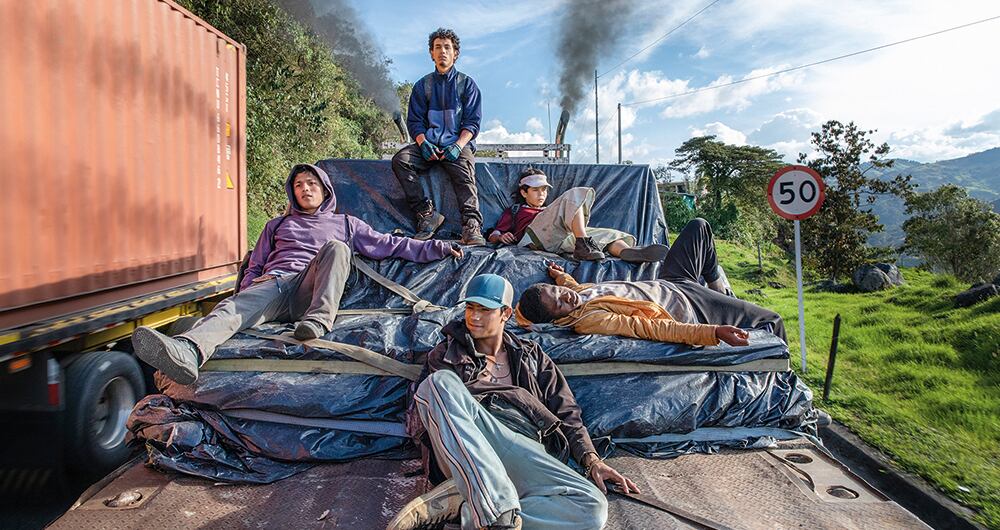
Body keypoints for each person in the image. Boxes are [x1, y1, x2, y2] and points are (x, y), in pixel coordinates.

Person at [133, 164, 461, 385]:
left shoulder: (346, 224)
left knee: (337, 249)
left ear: (325, 189)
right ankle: (188, 352)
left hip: (311, 289)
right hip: (275, 287)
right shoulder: (276, 225)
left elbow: (389, 245)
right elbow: (256, 266)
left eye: (312, 184)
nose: (305, 188)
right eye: (299, 185)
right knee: (230, 309)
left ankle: (318, 322)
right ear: (292, 193)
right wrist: (246, 293)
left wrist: (438, 248)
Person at [387, 274, 638, 530]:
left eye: (485, 310)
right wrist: (512, 393)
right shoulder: (448, 354)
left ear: (505, 313)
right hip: (474, 449)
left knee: (593, 508)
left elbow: (567, 412)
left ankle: (469, 510)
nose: (474, 317)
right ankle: (495, 508)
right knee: (437, 384)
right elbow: (437, 412)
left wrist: (592, 459)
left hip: (524, 448)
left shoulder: (532, 356)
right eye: (470, 308)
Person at [515, 218, 786, 346]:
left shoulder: (577, 294)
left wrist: (557, 276)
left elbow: (573, 289)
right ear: (558, 319)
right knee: (772, 320)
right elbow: (650, 328)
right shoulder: (589, 320)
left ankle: (721, 289)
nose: (567, 297)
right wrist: (711, 332)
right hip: (689, 304)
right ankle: (787, 387)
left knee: (698, 227)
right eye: (560, 304)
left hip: (671, 281)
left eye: (558, 292)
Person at [391, 28, 485, 245]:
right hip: (429, 146)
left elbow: (472, 122)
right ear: (431, 53)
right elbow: (415, 122)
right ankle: (427, 215)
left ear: (455, 53)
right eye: (437, 47)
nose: (442, 51)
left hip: (457, 145)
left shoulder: (467, 85)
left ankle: (471, 226)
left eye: (447, 47)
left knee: (465, 174)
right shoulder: (422, 86)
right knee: (400, 161)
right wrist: (423, 144)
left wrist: (459, 145)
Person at [487, 168, 669, 262]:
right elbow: (493, 234)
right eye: (536, 190)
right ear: (524, 192)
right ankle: (583, 243)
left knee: (606, 235)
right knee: (574, 196)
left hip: (559, 240)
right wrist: (501, 236)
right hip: (534, 238)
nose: (542, 194)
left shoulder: (549, 209)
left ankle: (628, 252)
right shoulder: (516, 210)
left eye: (544, 190)